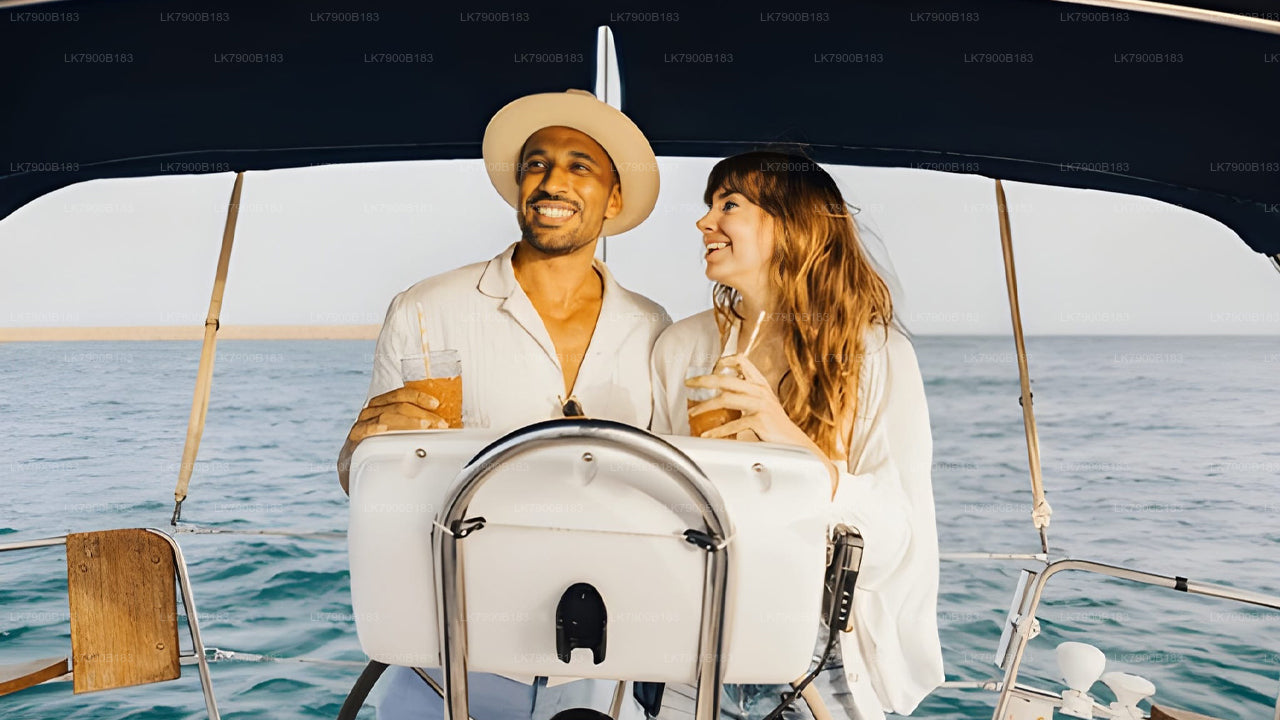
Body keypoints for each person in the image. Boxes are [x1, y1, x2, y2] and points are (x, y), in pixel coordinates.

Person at [338, 89, 670, 720]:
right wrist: (359, 451)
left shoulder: (653, 328)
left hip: (600, 663)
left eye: (579, 166)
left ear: (613, 199)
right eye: (536, 164)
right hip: (448, 659)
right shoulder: (426, 309)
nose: (552, 181)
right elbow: (363, 479)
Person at [649, 151, 944, 719]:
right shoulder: (682, 348)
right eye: (709, 205)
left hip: (817, 655)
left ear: (792, 224)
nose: (704, 222)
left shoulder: (875, 353)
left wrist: (790, 443)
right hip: (695, 642)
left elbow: (895, 542)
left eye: (729, 205)